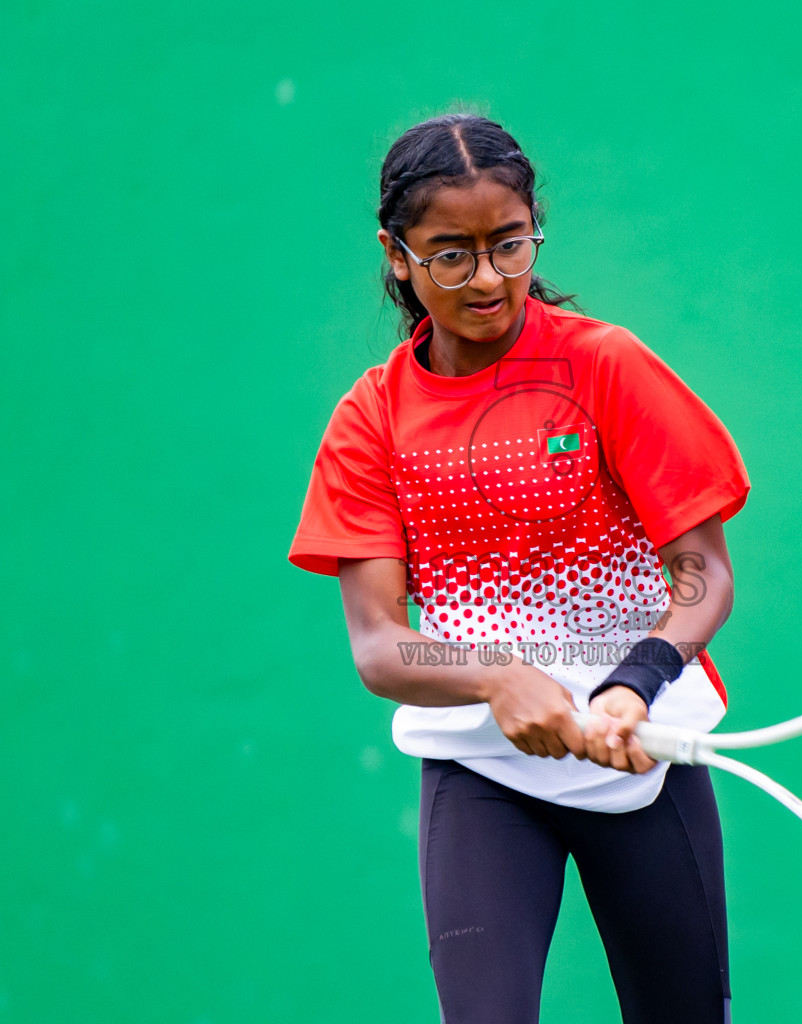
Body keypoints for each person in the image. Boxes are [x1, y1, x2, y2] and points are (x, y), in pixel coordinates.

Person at [288, 112, 750, 1024]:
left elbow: (704, 575)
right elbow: (381, 646)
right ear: (396, 254)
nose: (488, 278)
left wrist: (635, 685)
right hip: (482, 777)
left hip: (643, 757)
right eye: (450, 254)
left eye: (509, 244)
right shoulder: (371, 419)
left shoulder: (607, 366)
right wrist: (498, 676)